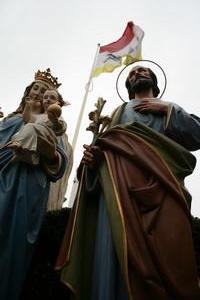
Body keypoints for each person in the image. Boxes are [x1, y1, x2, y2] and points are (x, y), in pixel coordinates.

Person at [56, 65, 200, 300]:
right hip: (117, 186)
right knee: (112, 247)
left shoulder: (168, 110)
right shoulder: (118, 112)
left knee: (170, 252)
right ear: (129, 88)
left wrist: (168, 108)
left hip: (162, 185)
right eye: (132, 74)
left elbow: (196, 135)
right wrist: (92, 163)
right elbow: (105, 149)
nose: (137, 74)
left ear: (155, 82)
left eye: (142, 72)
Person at [0, 69, 68, 300]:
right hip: (2, 173)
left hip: (29, 184)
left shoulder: (52, 124)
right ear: (27, 92)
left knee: (14, 243)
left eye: (44, 92)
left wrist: (50, 153)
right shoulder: (11, 119)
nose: (38, 94)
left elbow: (60, 163)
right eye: (35, 89)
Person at [7, 88, 67, 165]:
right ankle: (22, 153)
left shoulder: (57, 117)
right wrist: (28, 105)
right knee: (25, 129)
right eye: (45, 97)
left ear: (58, 103)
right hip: (35, 133)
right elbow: (27, 118)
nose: (48, 99)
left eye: (52, 98)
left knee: (30, 127)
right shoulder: (38, 116)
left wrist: (55, 120)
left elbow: (62, 128)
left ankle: (20, 144)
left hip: (47, 136)